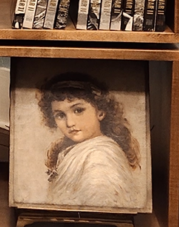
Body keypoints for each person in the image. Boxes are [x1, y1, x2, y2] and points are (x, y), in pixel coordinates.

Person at [37, 72, 142, 210]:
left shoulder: (101, 157)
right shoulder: (71, 151)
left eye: (78, 110)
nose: (70, 123)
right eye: (60, 115)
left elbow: (101, 204)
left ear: (100, 112)